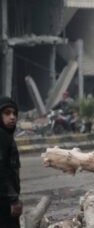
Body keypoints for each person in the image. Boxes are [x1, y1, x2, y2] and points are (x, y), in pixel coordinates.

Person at [0, 97, 23, 227]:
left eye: (14, 113)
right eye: (7, 113)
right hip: (4, 201)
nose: (12, 117)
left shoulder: (6, 135)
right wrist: (13, 200)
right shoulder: (2, 136)